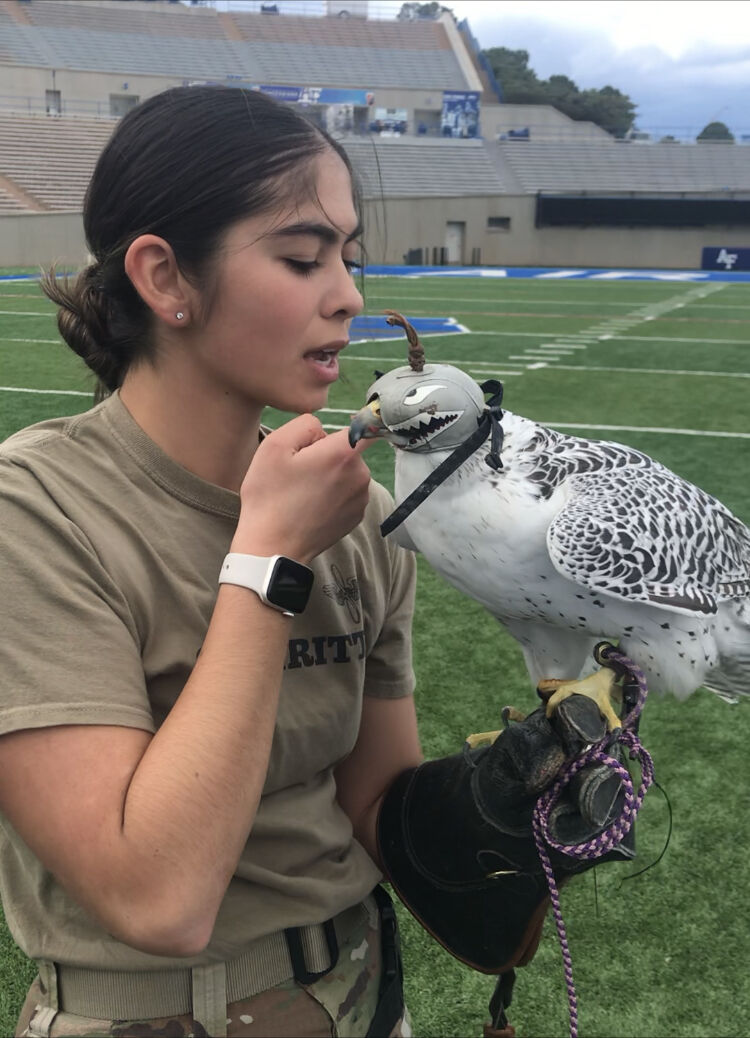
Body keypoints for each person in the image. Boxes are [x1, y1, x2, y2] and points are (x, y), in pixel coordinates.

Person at [0, 85, 633, 1038]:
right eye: (302, 257)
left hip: (359, 997)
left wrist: (505, 807)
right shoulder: (37, 512)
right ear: (165, 278)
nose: (348, 294)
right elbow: (155, 898)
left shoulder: (365, 516)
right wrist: (268, 560)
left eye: (350, 254)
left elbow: (374, 803)